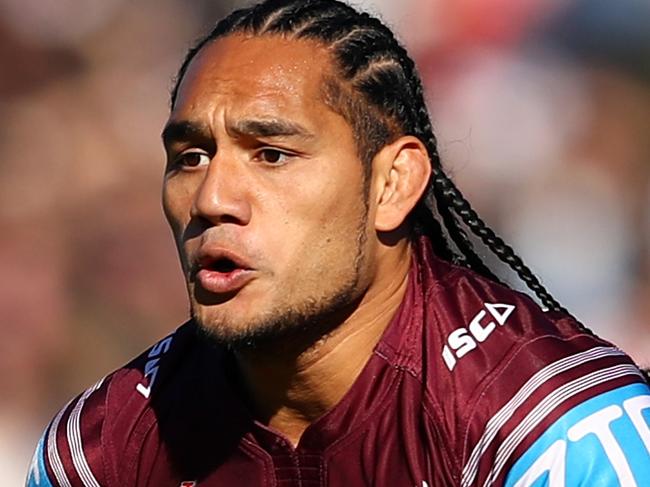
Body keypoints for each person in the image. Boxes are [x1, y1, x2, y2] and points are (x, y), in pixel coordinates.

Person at [26, 0, 650, 485]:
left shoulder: (555, 429)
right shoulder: (105, 446)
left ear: (392, 184)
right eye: (190, 157)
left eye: (272, 154)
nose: (213, 198)